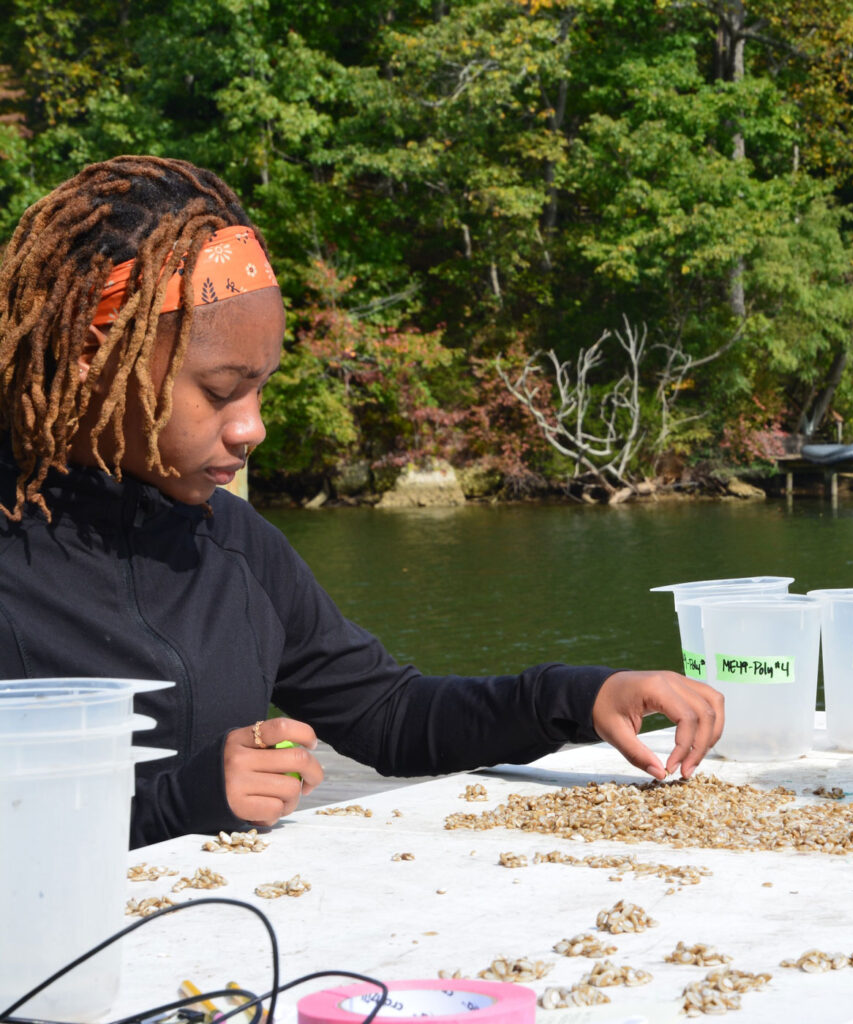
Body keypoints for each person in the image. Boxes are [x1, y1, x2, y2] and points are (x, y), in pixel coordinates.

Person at [0, 156, 724, 849]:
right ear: (94, 357)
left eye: (262, 389)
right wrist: (174, 806)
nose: (254, 428)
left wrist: (578, 697)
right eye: (220, 392)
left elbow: (390, 714)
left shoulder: (230, 544)